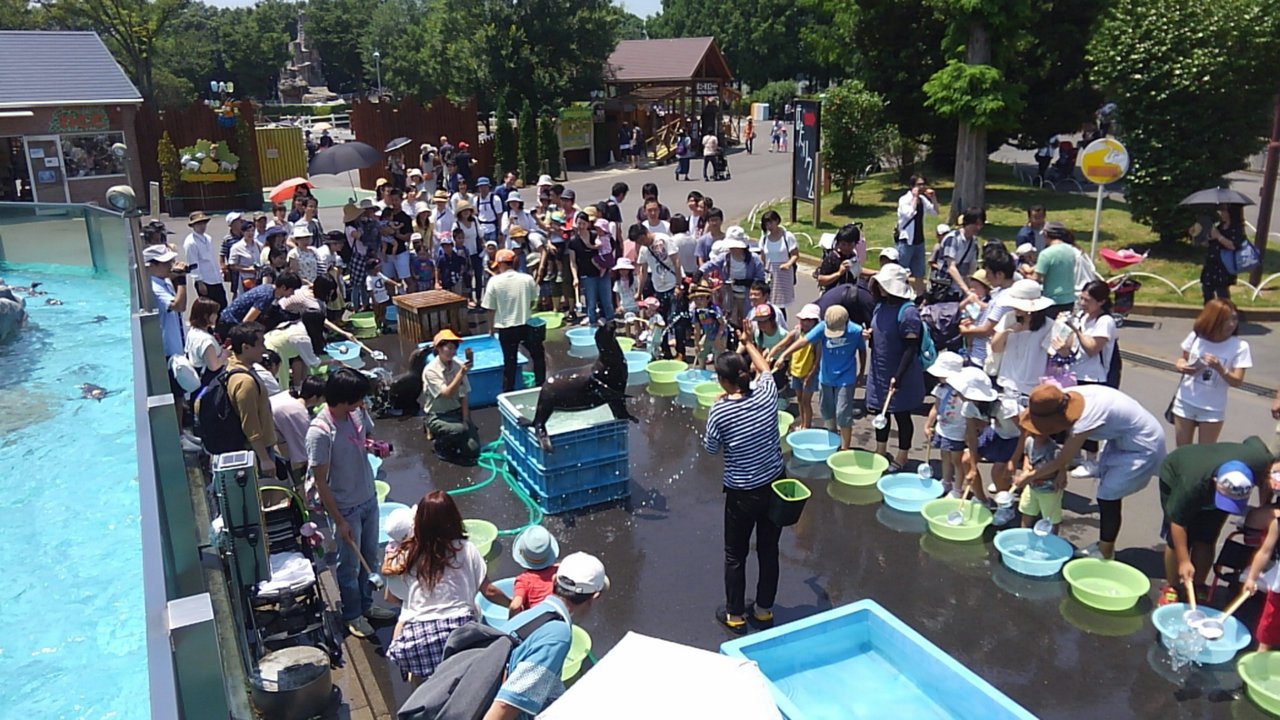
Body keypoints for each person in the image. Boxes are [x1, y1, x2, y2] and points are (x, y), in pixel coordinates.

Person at [1018, 382, 1167, 559]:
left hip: (1142, 444)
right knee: (1106, 489)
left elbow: (1064, 458)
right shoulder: (1056, 399)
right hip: (1120, 438)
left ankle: (1105, 551)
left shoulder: (1085, 419)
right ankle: (1104, 546)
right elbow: (1066, 445)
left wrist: (1029, 476)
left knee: (1108, 496)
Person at [703, 332, 786, 634]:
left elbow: (710, 449)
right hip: (775, 486)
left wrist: (717, 408)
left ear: (724, 382)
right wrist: (749, 343)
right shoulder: (766, 394)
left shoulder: (720, 410)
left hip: (742, 493)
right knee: (768, 549)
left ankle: (735, 615)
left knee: (735, 555)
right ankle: (763, 611)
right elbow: (766, 369)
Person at [382, 491, 510, 679]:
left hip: (419, 639)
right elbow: (489, 591)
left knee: (425, 681)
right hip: (460, 631)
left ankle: (415, 683)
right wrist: (514, 604)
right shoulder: (466, 548)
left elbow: (392, 597)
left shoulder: (410, 553)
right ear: (453, 517)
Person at [306, 368, 395, 637]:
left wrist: (375, 446)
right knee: (349, 566)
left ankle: (367, 605)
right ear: (343, 398)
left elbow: (365, 438)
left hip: (368, 498)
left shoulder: (356, 413)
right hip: (345, 507)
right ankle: (353, 614)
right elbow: (321, 482)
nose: (361, 402)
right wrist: (339, 520)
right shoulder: (320, 432)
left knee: (370, 557)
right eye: (357, 398)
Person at [484, 552, 609, 719]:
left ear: (554, 580)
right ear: (594, 596)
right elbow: (506, 704)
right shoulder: (558, 635)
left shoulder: (533, 614)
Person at [1159, 442, 1274, 605]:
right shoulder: (1190, 484)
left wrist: (1267, 497)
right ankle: (1173, 586)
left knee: (1207, 537)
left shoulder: (1260, 462)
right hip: (1176, 475)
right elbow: (1178, 523)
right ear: (1215, 481)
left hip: (1215, 485)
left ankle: (1198, 584)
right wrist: (1184, 561)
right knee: (1177, 541)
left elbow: (1253, 441)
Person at [772, 305, 864, 451]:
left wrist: (861, 372)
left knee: (842, 413)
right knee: (826, 410)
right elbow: (803, 341)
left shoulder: (856, 331)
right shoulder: (822, 327)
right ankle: (833, 438)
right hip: (826, 376)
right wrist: (784, 355)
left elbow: (862, 351)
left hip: (846, 377)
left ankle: (845, 449)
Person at [866, 265, 925, 472]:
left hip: (900, 371)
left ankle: (902, 455)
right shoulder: (880, 307)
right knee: (880, 413)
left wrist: (898, 376)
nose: (881, 288)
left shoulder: (908, 313)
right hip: (879, 370)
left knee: (902, 414)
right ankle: (880, 450)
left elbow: (911, 348)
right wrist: (870, 335)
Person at [1172, 298, 1252, 446]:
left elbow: (1237, 381)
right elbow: (1183, 358)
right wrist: (1181, 364)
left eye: (1234, 319)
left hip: (1212, 408)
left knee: (1206, 454)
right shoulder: (1196, 336)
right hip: (1185, 401)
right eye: (1226, 320)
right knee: (1183, 451)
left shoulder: (1240, 346)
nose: (1231, 324)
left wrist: (1220, 368)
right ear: (1213, 319)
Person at [205, 322, 279, 482]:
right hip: (257, 451)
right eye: (260, 344)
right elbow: (250, 424)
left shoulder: (231, 365)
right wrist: (264, 459)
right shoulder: (245, 382)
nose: (264, 349)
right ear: (246, 347)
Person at [484, 249, 546, 392]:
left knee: (510, 362)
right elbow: (533, 301)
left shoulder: (494, 281)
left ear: (501, 264)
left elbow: (490, 308)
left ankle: (508, 391)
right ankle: (541, 386)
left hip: (506, 328)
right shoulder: (527, 279)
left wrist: (491, 328)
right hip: (526, 325)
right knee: (538, 356)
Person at [422, 329, 481, 463]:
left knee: (473, 451)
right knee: (458, 430)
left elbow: (463, 396)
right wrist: (461, 374)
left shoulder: (458, 365)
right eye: (449, 348)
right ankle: (439, 445)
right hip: (438, 415)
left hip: (457, 412)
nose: (452, 352)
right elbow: (447, 394)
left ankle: (456, 437)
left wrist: (466, 420)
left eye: (454, 348)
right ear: (439, 348)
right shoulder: (431, 370)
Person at [991, 280, 1055, 397]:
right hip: (1007, 381)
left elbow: (1052, 351)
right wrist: (1007, 331)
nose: (1015, 307)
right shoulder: (1009, 318)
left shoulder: (1048, 325)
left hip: (1032, 384)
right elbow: (995, 348)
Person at [923, 352, 967, 494]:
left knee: (957, 460)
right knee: (945, 455)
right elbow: (936, 407)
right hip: (942, 427)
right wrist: (928, 424)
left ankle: (957, 489)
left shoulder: (964, 391)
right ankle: (946, 481)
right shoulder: (940, 388)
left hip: (957, 431)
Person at [1193, 203, 1246, 303]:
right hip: (1211, 264)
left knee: (1222, 293)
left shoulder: (1236, 230)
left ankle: (1225, 311)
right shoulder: (1219, 226)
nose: (1221, 213)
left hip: (1224, 266)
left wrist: (1219, 237)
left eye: (1224, 211)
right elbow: (1208, 244)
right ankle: (1209, 310)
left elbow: (1234, 246)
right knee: (1207, 290)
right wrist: (1199, 235)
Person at [568, 210, 613, 326]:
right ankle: (592, 323)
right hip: (586, 274)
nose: (581, 226)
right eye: (579, 223)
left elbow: (608, 247)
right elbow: (573, 262)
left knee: (606, 300)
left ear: (588, 224)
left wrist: (609, 266)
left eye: (584, 223)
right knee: (591, 302)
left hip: (602, 272)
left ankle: (609, 321)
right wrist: (575, 278)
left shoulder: (595, 235)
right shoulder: (573, 241)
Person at [1013, 431, 1064, 533]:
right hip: (1031, 487)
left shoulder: (1054, 450)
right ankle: (1023, 534)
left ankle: (1052, 539)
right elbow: (1026, 455)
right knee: (1026, 512)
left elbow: (1054, 469)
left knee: (1051, 519)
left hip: (1049, 491)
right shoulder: (1029, 441)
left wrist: (1030, 475)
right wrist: (1026, 467)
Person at [929, 208, 983, 302]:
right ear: (967, 222)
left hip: (960, 290)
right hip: (944, 288)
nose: (978, 227)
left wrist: (971, 287)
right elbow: (951, 267)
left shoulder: (973, 242)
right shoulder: (952, 238)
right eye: (975, 224)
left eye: (981, 224)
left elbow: (972, 267)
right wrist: (967, 291)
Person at [895, 175, 938, 292]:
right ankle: (898, 293)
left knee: (919, 273)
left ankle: (918, 295)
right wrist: (914, 197)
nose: (922, 187)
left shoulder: (923, 200)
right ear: (912, 186)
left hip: (919, 241)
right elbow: (909, 214)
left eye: (923, 184)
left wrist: (933, 198)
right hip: (906, 241)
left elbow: (935, 212)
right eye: (919, 185)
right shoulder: (904, 199)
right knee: (900, 271)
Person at [508, 525, 560, 616]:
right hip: (556, 616)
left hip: (535, 620)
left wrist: (512, 621)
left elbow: (515, 606)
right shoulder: (558, 572)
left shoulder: (523, 581)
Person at [182, 211, 228, 308]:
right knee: (209, 309)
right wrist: (199, 282)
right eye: (199, 224)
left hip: (215, 278)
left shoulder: (208, 238)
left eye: (204, 223)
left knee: (223, 306)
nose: (202, 226)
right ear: (193, 226)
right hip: (205, 281)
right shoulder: (190, 242)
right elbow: (193, 264)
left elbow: (211, 259)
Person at [1033, 222, 1079, 317]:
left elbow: (1036, 279)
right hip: (1069, 299)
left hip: (1051, 301)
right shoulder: (1071, 250)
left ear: (1046, 234)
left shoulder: (1046, 254)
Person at [757, 211, 799, 316]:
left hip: (783, 274)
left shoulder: (787, 236)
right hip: (769, 274)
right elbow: (763, 257)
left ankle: (781, 323)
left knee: (780, 305)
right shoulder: (764, 239)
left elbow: (795, 255)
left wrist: (788, 264)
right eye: (766, 224)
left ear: (777, 221)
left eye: (771, 222)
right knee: (768, 302)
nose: (769, 226)